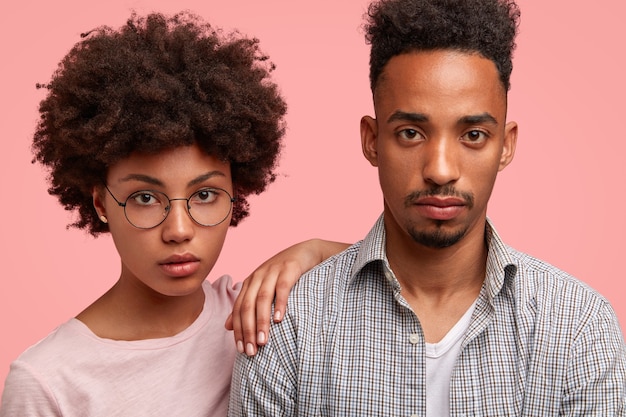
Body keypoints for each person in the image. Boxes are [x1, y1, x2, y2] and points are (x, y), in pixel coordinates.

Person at [229, 0, 626, 415]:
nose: (440, 170)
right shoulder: (288, 324)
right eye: (411, 133)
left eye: (473, 134)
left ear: (505, 146)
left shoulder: (579, 326)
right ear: (371, 140)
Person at [0, 11, 347, 416]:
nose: (179, 231)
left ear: (235, 193)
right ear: (101, 204)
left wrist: (313, 251)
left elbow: (405, 275)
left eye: (204, 194)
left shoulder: (258, 314)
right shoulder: (48, 382)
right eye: (145, 198)